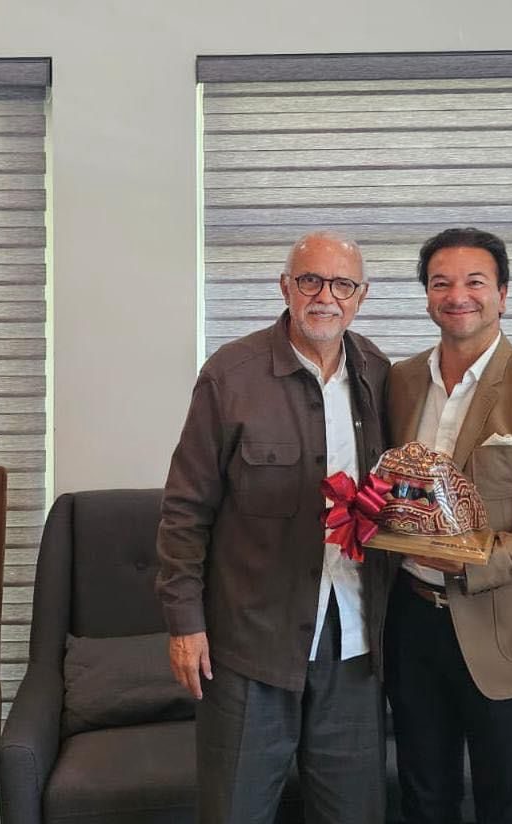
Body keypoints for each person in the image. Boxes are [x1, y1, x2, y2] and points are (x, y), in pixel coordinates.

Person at [156, 231, 392, 824]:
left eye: (342, 285)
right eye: (310, 281)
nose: (325, 297)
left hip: (354, 642)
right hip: (249, 644)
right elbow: (185, 509)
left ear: (361, 296)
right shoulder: (230, 375)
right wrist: (185, 624)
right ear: (285, 287)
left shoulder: (380, 375)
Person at [384, 227, 512, 824]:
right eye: (440, 283)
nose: (458, 296)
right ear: (426, 296)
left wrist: (468, 557)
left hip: (505, 630)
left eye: (475, 282)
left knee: (505, 805)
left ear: (503, 294)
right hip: (411, 622)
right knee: (423, 799)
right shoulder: (397, 382)